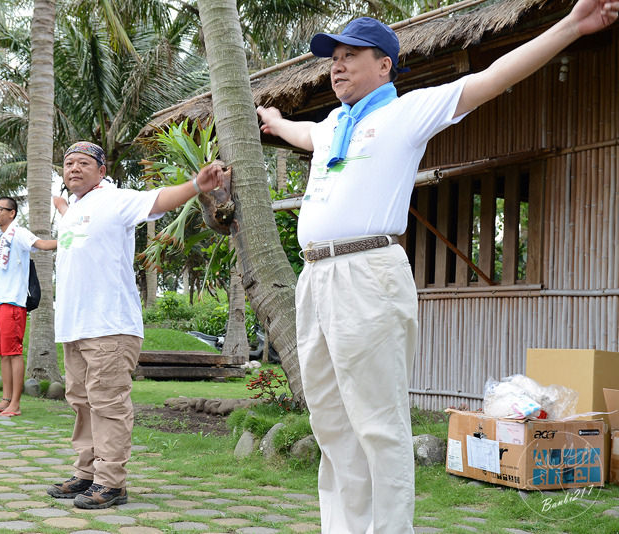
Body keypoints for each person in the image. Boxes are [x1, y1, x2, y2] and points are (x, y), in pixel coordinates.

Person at [256, 1, 618, 532]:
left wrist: (571, 25)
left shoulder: (407, 112)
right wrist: (276, 121)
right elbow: (303, 136)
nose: (336, 64)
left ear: (385, 65)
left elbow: (491, 79)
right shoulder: (334, 124)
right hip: (315, 278)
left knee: (377, 423)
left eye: (351, 54)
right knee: (330, 421)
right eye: (333, 56)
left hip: (368, 271)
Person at [46, 141, 222, 509]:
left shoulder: (115, 199)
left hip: (109, 325)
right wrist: (61, 206)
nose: (73, 168)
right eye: (67, 164)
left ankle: (112, 482)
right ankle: (87, 473)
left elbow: (158, 200)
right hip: (74, 326)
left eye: (82, 163)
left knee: (107, 402)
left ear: (101, 170)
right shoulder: (74, 209)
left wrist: (196, 185)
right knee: (81, 402)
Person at [0, 196, 57, 418]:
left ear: (12, 213)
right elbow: (2, 260)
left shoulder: (19, 233)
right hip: (0, 302)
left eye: (1, 209)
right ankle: (5, 400)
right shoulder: (0, 238)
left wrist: (69, 241)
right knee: (3, 354)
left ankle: (16, 404)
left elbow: (42, 245)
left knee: (14, 354)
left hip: (14, 303)